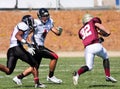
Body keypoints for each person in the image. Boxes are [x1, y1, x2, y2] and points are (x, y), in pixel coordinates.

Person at [13, 8, 63, 84]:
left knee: (35, 66)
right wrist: (28, 45)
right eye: (43, 16)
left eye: (46, 16)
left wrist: (59, 31)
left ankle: (18, 77)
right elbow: (26, 34)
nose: (45, 18)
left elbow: (56, 32)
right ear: (39, 16)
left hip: (40, 46)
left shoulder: (50, 21)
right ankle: (50, 76)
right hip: (36, 47)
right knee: (54, 56)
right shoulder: (35, 23)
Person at [0, 15, 45, 88]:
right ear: (27, 21)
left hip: (11, 49)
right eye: (31, 20)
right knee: (35, 64)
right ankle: (37, 83)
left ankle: (35, 82)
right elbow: (17, 36)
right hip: (17, 48)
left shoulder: (23, 26)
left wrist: (27, 43)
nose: (32, 22)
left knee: (8, 71)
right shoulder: (24, 25)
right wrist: (26, 43)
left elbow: (24, 34)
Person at [73, 14, 117, 85]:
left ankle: (77, 74)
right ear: (90, 19)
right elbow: (99, 25)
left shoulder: (81, 30)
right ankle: (108, 76)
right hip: (96, 46)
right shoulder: (93, 22)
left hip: (88, 48)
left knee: (89, 67)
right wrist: (107, 31)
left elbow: (89, 37)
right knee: (105, 57)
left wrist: (98, 37)